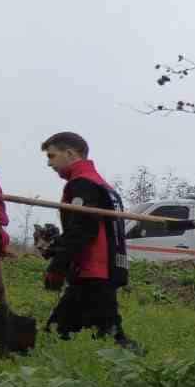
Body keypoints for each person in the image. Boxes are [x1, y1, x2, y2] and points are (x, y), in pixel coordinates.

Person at [40, 133, 136, 349]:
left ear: (70, 153)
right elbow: (89, 227)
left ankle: (148, 371)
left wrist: (57, 267)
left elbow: (82, 230)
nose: (49, 163)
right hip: (104, 269)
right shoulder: (102, 185)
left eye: (52, 156)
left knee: (110, 337)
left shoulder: (82, 184)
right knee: (60, 331)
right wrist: (57, 247)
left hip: (93, 272)